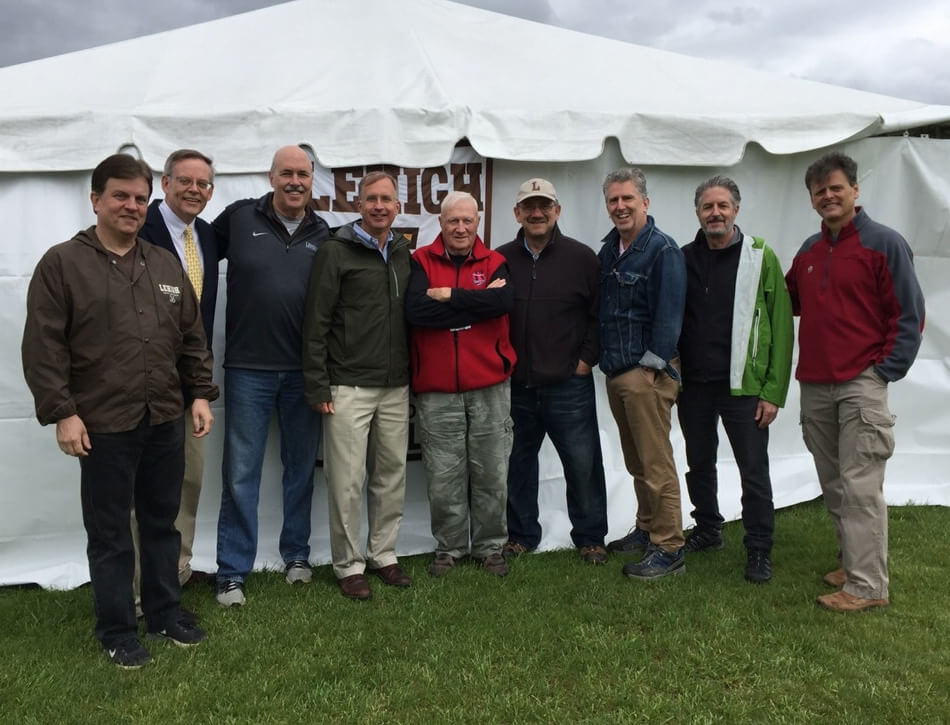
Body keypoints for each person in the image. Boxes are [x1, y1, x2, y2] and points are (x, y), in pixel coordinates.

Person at [22, 153, 217, 668]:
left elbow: (191, 337)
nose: (131, 206)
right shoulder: (63, 263)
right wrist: (62, 411)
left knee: (162, 522)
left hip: (164, 417)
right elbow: (43, 348)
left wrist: (198, 393)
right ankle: (115, 628)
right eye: (120, 196)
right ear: (96, 200)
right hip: (103, 423)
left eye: (139, 198)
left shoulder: (163, 263)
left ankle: (164, 613)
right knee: (109, 531)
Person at [786, 152, 924, 612]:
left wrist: (884, 370)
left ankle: (868, 587)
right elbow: (784, 298)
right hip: (816, 383)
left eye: (835, 188)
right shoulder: (808, 251)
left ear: (855, 190)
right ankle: (853, 562)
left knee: (861, 484)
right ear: (811, 199)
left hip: (861, 381)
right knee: (836, 482)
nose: (827, 196)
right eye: (819, 191)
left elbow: (908, 314)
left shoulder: (884, 243)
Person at [213, 145, 329, 607]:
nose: (295, 181)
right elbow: (191, 256)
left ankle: (297, 555)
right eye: (287, 173)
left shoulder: (326, 231)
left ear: (312, 178)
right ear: (271, 176)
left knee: (301, 469)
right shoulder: (239, 218)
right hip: (248, 369)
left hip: (305, 372)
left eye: (303, 173)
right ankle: (231, 572)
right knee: (241, 472)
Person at [302, 171, 413, 601]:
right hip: (347, 384)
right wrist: (318, 385)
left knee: (390, 475)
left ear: (397, 207)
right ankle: (348, 564)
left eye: (387, 199)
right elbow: (316, 322)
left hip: (395, 385)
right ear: (359, 205)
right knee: (347, 480)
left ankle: (383, 555)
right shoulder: (336, 251)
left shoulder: (405, 253)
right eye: (372, 199)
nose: (380, 206)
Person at [677, 176, 793, 583]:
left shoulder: (760, 256)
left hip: (744, 386)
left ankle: (759, 547)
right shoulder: (684, 257)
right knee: (699, 462)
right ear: (697, 213)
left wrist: (773, 392)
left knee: (753, 470)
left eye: (723, 205)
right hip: (693, 385)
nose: (715, 213)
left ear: (736, 210)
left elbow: (781, 327)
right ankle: (708, 529)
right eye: (708, 207)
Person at [497, 178, 608, 565]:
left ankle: (591, 537)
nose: (537, 212)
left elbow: (599, 316)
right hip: (517, 386)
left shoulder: (583, 258)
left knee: (583, 464)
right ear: (517, 214)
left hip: (568, 386)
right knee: (517, 466)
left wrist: (585, 360)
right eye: (529, 206)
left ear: (557, 211)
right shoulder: (501, 259)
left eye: (544, 205)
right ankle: (521, 535)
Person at [406, 191, 516, 578]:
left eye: (467, 220)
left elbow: (501, 305)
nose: (460, 228)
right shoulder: (419, 261)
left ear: (477, 222)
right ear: (441, 223)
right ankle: (449, 547)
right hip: (436, 390)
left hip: (489, 386)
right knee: (443, 473)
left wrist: (450, 296)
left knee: (491, 471)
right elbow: (417, 311)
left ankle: (489, 547)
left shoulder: (496, 261)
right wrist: (475, 302)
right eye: (453, 220)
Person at [134, 149, 219, 591]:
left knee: (188, 483)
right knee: (144, 494)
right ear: (163, 184)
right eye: (184, 181)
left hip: (193, 388)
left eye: (203, 184)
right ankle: (138, 585)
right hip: (144, 387)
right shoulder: (138, 230)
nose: (194, 190)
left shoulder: (206, 234)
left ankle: (176, 571)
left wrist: (200, 387)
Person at [598, 168, 687, 579]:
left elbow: (670, 316)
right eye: (613, 200)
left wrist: (651, 371)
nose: (620, 206)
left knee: (655, 463)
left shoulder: (662, 250)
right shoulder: (609, 250)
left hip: (645, 373)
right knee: (636, 461)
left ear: (645, 202)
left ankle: (669, 548)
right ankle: (648, 527)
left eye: (627, 199)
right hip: (617, 372)